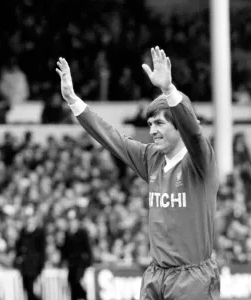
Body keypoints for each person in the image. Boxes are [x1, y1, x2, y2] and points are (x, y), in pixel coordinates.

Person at [56, 46, 220, 299]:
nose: (153, 130)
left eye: (160, 123)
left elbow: (195, 134)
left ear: (180, 128)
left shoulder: (200, 162)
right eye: (150, 124)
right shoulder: (151, 158)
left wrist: (168, 90)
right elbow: (111, 138)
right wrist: (73, 100)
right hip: (156, 275)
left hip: (193, 279)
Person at [60, 209, 92, 300]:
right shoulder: (67, 233)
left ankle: (83, 296)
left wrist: (88, 263)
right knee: (71, 282)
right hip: (72, 263)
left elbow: (88, 249)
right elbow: (65, 250)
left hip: (81, 263)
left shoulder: (82, 232)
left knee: (77, 281)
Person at [15, 213, 46, 300]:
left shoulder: (39, 233)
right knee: (26, 287)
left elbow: (42, 251)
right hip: (25, 265)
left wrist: (41, 265)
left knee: (32, 287)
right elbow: (18, 246)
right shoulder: (23, 232)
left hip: (34, 265)